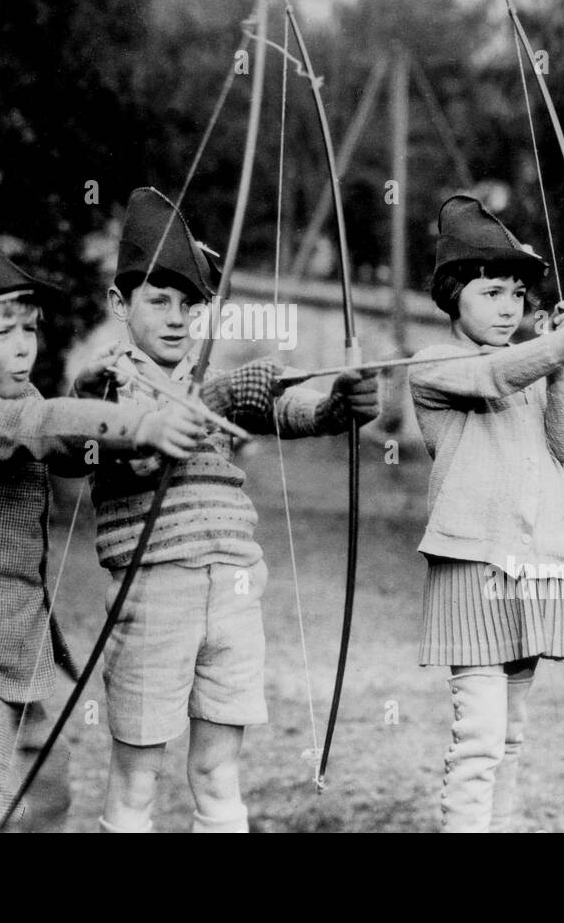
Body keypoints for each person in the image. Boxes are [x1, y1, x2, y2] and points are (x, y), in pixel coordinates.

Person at [0, 219, 203, 832]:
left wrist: (106, 413)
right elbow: (33, 426)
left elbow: (60, 444)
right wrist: (137, 425)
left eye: (30, 329)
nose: (26, 345)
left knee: (45, 801)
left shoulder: (10, 397)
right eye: (6, 332)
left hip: (18, 651)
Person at [78, 187, 378, 833]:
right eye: (158, 300)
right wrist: (147, 424)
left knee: (219, 773)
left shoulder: (213, 387)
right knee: (138, 778)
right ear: (118, 303)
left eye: (191, 304)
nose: (177, 317)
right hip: (155, 591)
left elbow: (273, 406)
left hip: (235, 590)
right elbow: (96, 434)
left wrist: (336, 407)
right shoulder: (106, 384)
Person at [407, 193, 564, 833]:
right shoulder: (435, 364)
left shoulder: (533, 363)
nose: (509, 308)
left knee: (510, 734)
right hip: (472, 562)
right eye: (491, 293)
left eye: (517, 295)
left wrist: (561, 364)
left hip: (532, 565)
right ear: (453, 296)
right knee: (478, 736)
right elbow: (491, 379)